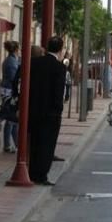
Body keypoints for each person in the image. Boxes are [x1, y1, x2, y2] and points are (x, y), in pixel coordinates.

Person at [28, 36, 67, 185]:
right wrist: (58, 109)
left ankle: (31, 171)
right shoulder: (60, 67)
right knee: (47, 144)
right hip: (51, 113)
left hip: (34, 110)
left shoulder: (34, 63)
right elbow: (59, 91)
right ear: (60, 50)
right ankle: (41, 175)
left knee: (35, 142)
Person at [0, 41, 20, 153]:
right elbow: (14, 78)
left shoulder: (9, 60)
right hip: (9, 92)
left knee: (12, 119)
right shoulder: (12, 62)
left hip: (6, 90)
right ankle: (7, 145)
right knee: (10, 119)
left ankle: (15, 144)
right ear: (16, 49)